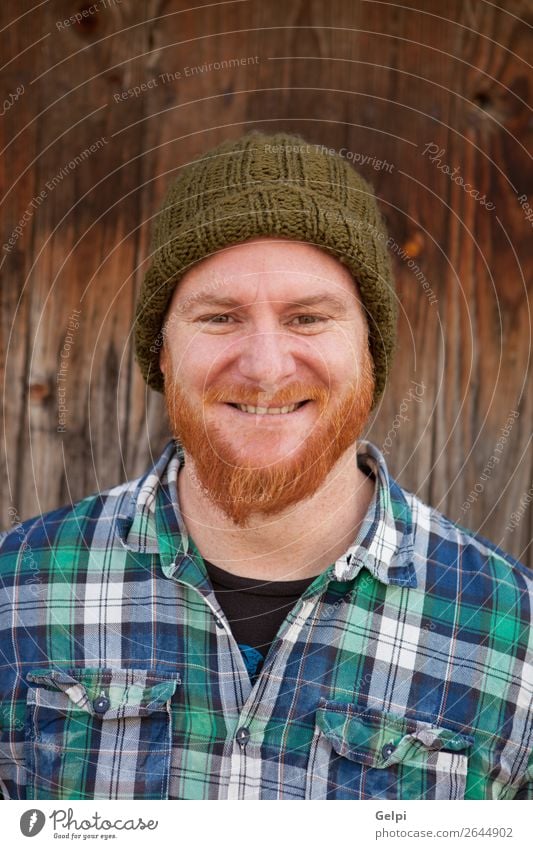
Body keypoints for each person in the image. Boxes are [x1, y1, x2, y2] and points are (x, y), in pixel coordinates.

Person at [0, 131, 531, 801]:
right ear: (161, 352)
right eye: (220, 317)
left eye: (307, 318)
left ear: (370, 350)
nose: (265, 365)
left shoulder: (514, 637)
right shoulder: (15, 594)